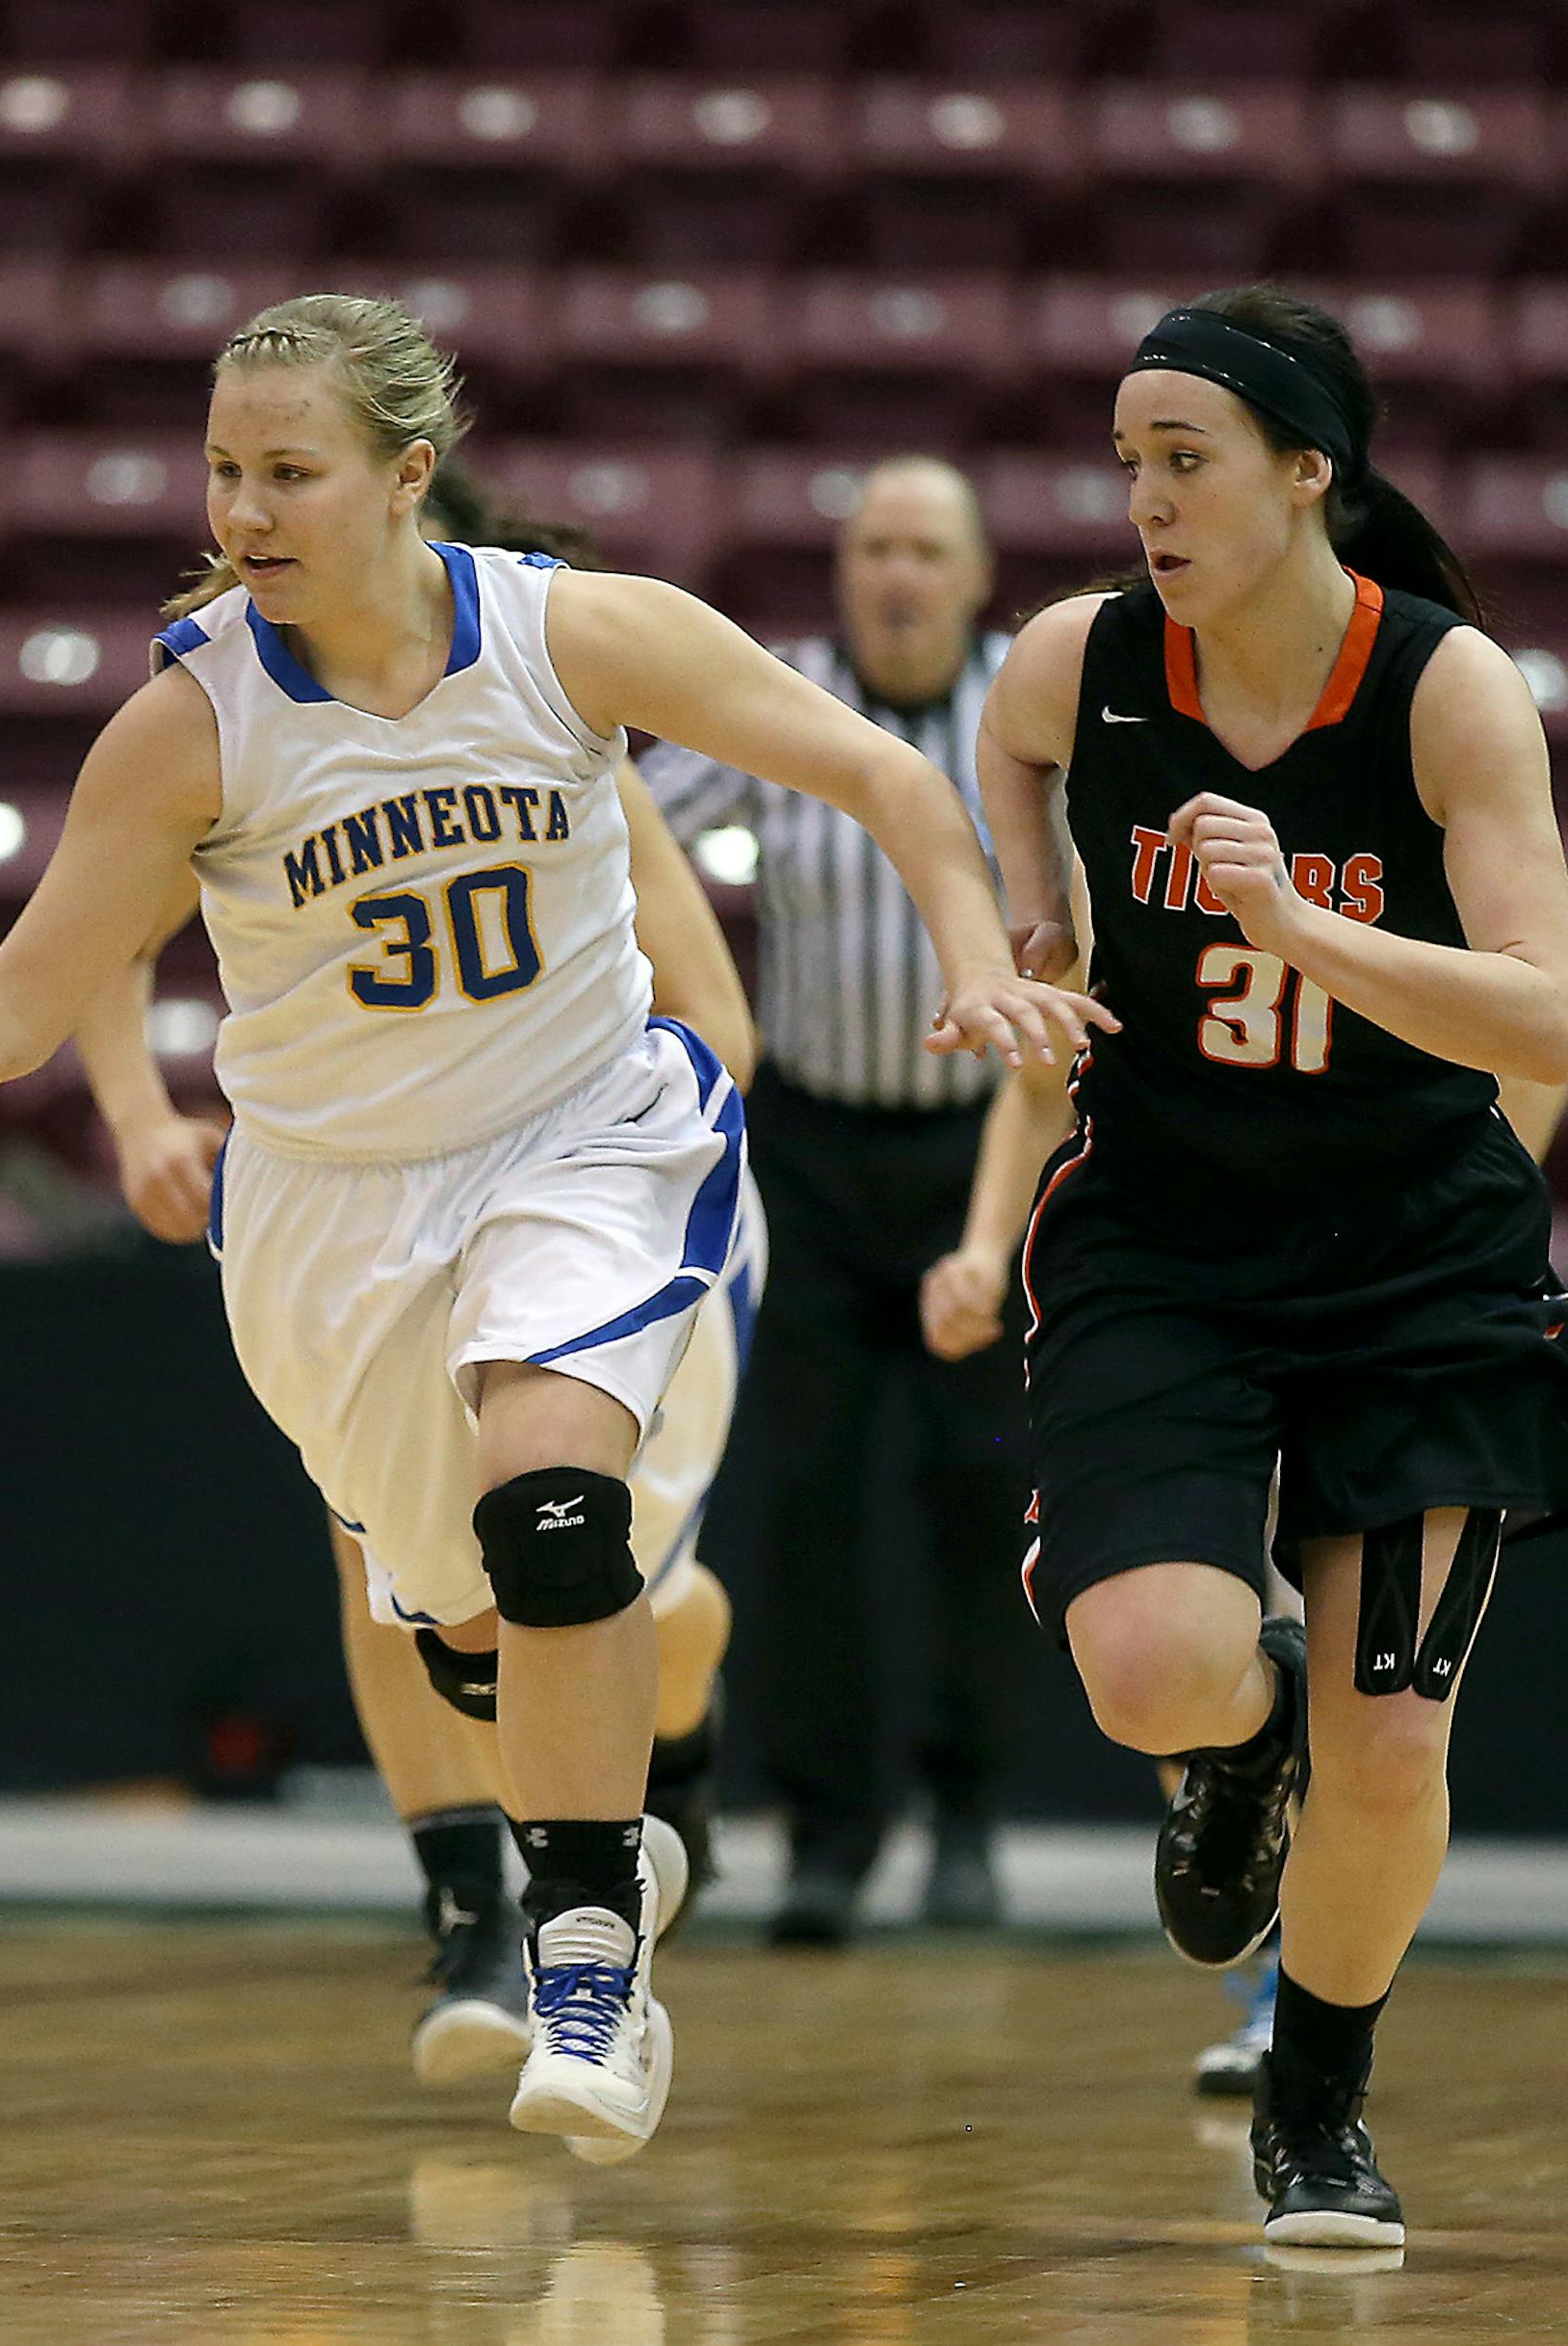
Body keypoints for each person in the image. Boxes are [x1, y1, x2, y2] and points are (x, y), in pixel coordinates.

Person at [0, 292, 1099, 2164]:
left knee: (555, 1504)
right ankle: (614, 1791)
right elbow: (17, 1001)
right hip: (335, 1206)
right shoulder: (188, 722)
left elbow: (880, 770)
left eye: (290, 469)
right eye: (226, 468)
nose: (250, 505)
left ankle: (586, 1953)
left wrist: (968, 952)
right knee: (467, 1625)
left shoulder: (567, 631)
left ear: (406, 475)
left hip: (583, 1134)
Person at [972, 282, 1568, 2244]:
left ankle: (1319, 2099)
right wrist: (1031, 916)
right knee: (1154, 1666)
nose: (1143, 496)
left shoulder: (1444, 684)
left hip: (1416, 1247)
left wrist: (1310, 928)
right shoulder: (1092, 657)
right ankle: (1230, 1755)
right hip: (1167, 1229)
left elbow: (1550, 1020)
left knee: (1392, 1739)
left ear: (1309, 473)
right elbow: (1007, 735)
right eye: (1129, 456)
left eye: (1185, 456)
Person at [76, 461, 767, 2077]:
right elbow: (93, 933)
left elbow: (719, 1022)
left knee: (623, 1584)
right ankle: (475, 1910)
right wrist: (138, 1116)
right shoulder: (228, 717)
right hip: (369, 1208)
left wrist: (576, 1146)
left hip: (608, 1194)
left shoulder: (562, 731)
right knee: (392, 1567)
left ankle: (667, 1777)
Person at [924, 903, 1566, 2101]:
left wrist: (1466, 1246)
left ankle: (1299, 2010)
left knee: (1373, 1700)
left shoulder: (1444, 779)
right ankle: (1250, 1769)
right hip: (1186, 1283)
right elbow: (1051, 1060)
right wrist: (982, 1239)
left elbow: (1521, 1072)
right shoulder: (1134, 789)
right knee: (1177, 1648)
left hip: (1397, 1277)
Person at [641, 456, 1035, 1943]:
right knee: (802, 1505)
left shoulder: (1029, 712)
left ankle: (969, 1812)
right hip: (807, 1151)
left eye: (927, 549)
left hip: (983, 1151)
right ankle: (824, 1828)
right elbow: (622, 812)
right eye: (875, 547)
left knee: (978, 1494)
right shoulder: (785, 696)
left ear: (977, 572)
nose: (898, 575)